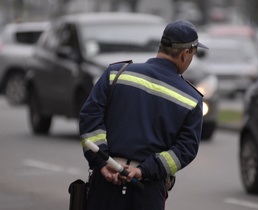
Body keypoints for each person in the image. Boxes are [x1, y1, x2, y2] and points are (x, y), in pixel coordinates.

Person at [79, 20, 208, 210]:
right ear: (184, 53)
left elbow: (90, 116)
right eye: (193, 54)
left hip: (104, 185)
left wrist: (102, 161)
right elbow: (185, 149)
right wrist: (142, 171)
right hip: (146, 191)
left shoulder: (116, 73)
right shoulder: (191, 99)